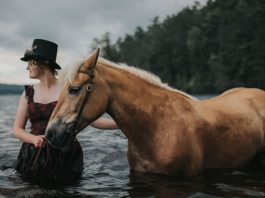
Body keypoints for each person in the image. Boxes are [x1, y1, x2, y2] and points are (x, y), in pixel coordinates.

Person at [13, 39, 118, 181]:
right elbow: (17, 130)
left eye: (30, 63)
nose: (27, 68)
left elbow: (93, 121)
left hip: (65, 154)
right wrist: (34, 139)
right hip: (33, 154)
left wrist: (120, 124)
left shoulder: (68, 90)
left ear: (43, 63)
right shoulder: (28, 93)